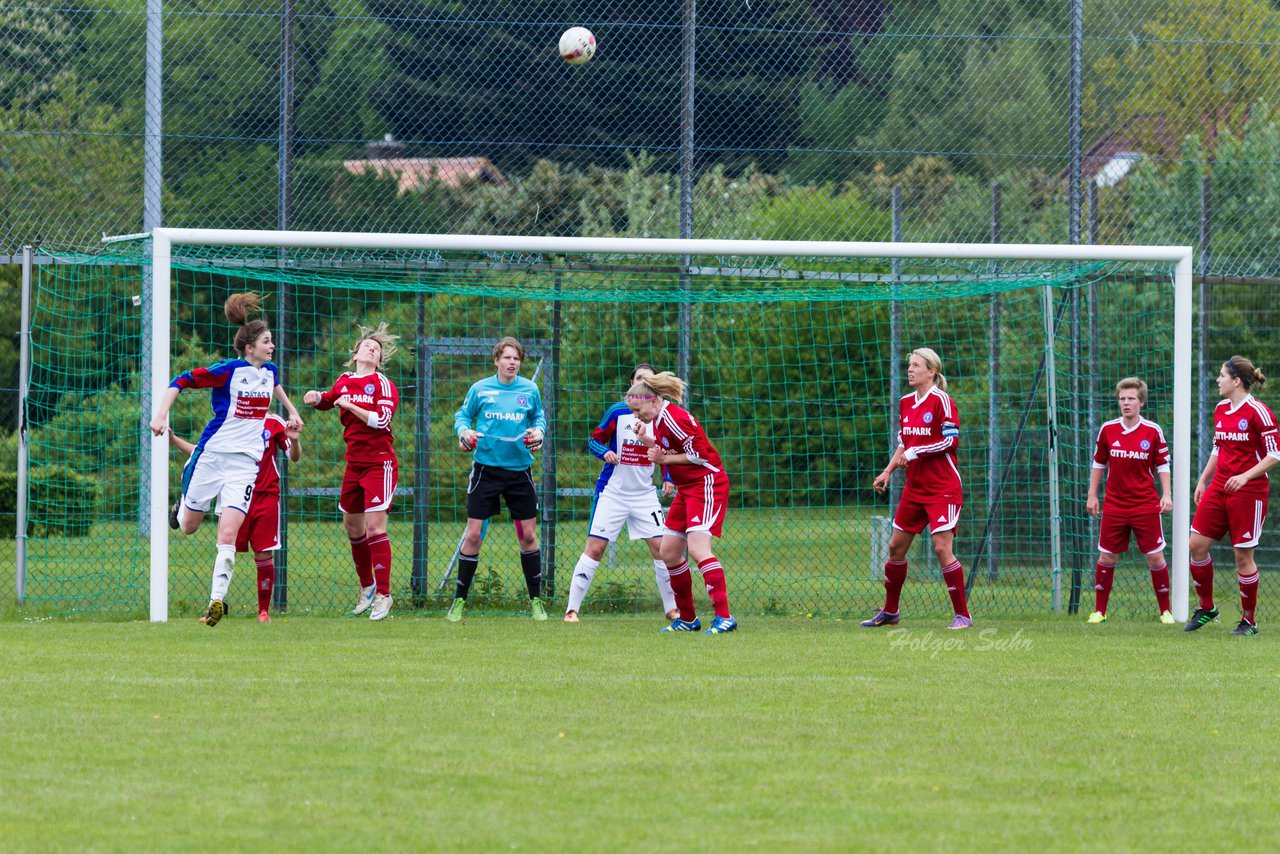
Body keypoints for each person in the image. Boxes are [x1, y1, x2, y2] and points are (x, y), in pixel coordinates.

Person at [149, 292, 304, 627]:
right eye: (266, 341)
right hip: (212, 457)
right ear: (249, 347)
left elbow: (275, 384)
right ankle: (183, 504)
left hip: (244, 465)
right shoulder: (228, 371)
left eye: (272, 341)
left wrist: (292, 412)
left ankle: (215, 602)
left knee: (228, 535)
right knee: (189, 527)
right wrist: (161, 415)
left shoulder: (269, 371)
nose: (272, 345)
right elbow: (179, 382)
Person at [866, 347, 972, 630]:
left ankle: (963, 615)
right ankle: (890, 611)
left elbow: (951, 442)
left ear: (932, 371)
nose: (910, 370)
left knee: (941, 548)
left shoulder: (943, 401)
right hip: (915, 488)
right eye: (909, 365)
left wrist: (915, 454)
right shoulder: (905, 403)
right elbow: (904, 442)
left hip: (943, 488)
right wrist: (888, 471)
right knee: (895, 547)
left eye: (915, 365)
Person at [625, 371, 737, 634]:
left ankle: (724, 616)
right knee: (669, 553)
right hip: (687, 489)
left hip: (707, 484)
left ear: (653, 401)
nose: (637, 416)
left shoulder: (674, 418)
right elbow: (673, 448)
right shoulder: (660, 420)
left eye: (639, 410)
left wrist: (663, 460)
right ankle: (688, 618)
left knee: (698, 550)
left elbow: (698, 455)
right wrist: (647, 441)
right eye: (633, 412)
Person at [564, 364, 678, 623]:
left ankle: (672, 609)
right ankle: (572, 610)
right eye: (639, 379)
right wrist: (604, 452)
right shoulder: (617, 412)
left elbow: (665, 448)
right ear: (631, 384)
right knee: (595, 549)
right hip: (613, 493)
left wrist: (668, 477)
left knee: (663, 549)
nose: (642, 383)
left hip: (644, 495)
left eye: (647, 380)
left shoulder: (660, 415)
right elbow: (593, 439)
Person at [303, 323, 401, 622]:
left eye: (377, 349)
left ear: (379, 359)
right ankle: (367, 587)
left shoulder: (383, 384)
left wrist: (349, 406)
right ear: (356, 353)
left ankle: (385, 596)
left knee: (374, 528)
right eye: (367, 346)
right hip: (353, 464)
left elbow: (382, 419)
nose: (372, 349)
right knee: (352, 528)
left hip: (379, 464)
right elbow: (330, 399)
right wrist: (316, 398)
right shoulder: (344, 381)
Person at [448, 337, 548, 622]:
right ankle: (458, 602)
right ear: (496, 361)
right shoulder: (480, 389)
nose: (512, 362)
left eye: (516, 358)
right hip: (486, 470)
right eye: (506, 357)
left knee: (528, 535)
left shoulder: (529, 389)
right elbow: (462, 417)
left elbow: (538, 418)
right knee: (474, 535)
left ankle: (536, 601)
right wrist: (465, 433)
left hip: (520, 472)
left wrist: (538, 434)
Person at [170, 413, 301, 623]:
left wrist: (294, 440)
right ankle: (214, 604)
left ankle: (263, 612)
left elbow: (294, 456)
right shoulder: (228, 419)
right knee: (226, 545)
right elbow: (203, 453)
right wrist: (174, 440)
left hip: (265, 497)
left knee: (263, 554)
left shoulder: (274, 423)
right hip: (233, 495)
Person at [1187, 356, 1279, 636]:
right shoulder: (1220, 409)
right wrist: (1203, 480)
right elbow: (1218, 448)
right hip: (1219, 487)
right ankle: (1207, 608)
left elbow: (1275, 454)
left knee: (1242, 556)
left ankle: (1248, 621)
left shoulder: (1259, 412)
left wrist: (1245, 475)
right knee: (1196, 545)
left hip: (1249, 492)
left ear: (1236, 381)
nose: (1217, 380)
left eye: (1222, 375)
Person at [1084, 378, 1174, 624]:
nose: (1126, 403)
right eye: (1122, 399)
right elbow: (1099, 462)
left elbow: (1163, 464)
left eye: (1131, 398)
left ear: (1141, 402)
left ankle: (1165, 611)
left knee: (1155, 557)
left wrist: (1166, 494)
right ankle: (1100, 611)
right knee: (1107, 557)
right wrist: (1092, 494)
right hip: (1115, 504)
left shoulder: (1153, 431)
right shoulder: (1108, 429)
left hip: (1145, 504)